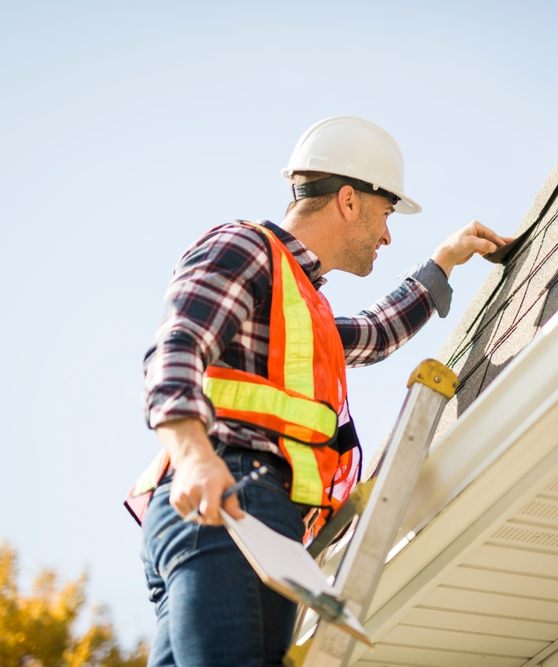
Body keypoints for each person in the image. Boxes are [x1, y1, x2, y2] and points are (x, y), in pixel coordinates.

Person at [128, 116, 512, 665]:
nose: (387, 235)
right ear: (350, 201)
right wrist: (193, 456)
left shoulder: (300, 302)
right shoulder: (245, 246)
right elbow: (177, 346)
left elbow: (374, 335)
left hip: (258, 516)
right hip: (229, 493)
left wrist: (444, 261)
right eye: (385, 215)